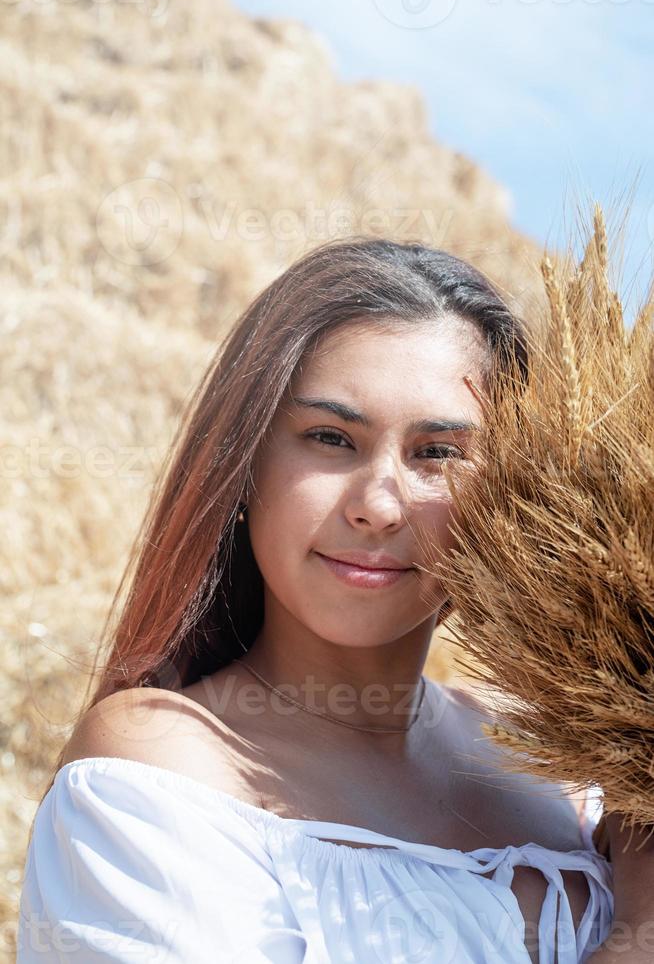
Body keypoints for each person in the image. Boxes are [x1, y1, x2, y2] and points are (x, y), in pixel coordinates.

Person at [17, 239, 614, 963]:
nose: (377, 506)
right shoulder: (156, 765)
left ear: (512, 492)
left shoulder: (565, 771)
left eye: (438, 453)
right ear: (243, 468)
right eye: (331, 439)